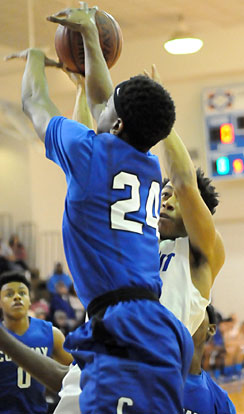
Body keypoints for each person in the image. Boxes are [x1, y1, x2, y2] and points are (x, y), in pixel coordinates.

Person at [13, 3, 194, 413]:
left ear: (115, 126)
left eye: (109, 107)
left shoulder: (88, 152)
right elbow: (102, 102)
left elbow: (33, 103)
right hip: (157, 324)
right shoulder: (147, 164)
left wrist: (37, 59)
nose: (102, 104)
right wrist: (91, 39)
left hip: (124, 326)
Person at [144, 64, 225, 336]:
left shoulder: (202, 251)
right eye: (164, 196)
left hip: (157, 365)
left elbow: (184, 183)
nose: (166, 202)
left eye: (176, 200)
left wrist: (157, 110)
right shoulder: (141, 241)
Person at [0, 270, 73, 414]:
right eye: (9, 294)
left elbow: (73, 375)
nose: (17, 297)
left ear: (30, 299)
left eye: (22, 293)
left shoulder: (52, 334)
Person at [183, 305, 236, 413]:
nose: (188, 316)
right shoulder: (154, 383)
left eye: (196, 310)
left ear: (211, 329)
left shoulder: (222, 402)